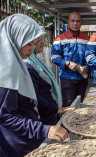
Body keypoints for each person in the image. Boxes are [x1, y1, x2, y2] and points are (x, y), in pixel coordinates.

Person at [0, 14, 68, 157]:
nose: (31, 49)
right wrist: (44, 130)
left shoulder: (16, 64)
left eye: (33, 44)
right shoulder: (6, 72)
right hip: (14, 144)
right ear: (14, 40)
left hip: (25, 137)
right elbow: (5, 116)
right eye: (28, 44)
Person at [24, 35, 74, 125]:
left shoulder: (35, 61)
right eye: (38, 40)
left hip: (49, 109)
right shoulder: (28, 65)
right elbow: (34, 95)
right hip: (45, 112)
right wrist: (55, 109)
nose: (42, 42)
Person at [51, 11, 89, 106]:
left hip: (82, 78)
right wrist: (67, 63)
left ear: (81, 23)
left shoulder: (87, 38)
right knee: (68, 105)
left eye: (78, 21)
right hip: (67, 78)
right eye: (72, 21)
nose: (75, 23)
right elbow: (54, 57)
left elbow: (91, 56)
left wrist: (88, 67)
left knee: (80, 104)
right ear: (68, 22)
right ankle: (65, 121)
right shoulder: (60, 38)